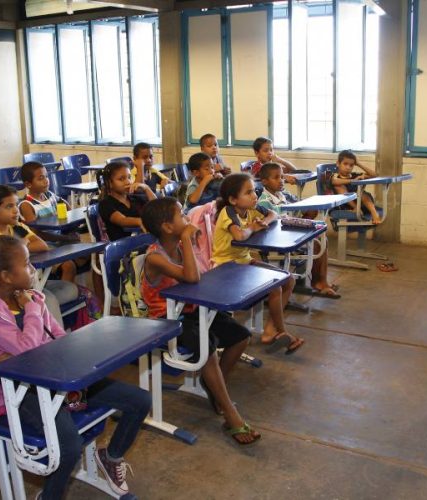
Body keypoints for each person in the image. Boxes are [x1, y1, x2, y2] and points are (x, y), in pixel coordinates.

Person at [0, 235, 151, 498]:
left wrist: (81, 354)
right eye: (26, 264)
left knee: (139, 400)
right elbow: (25, 351)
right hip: (21, 392)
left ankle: (111, 457)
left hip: (55, 378)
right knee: (69, 446)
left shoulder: (33, 297)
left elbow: (59, 336)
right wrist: (32, 310)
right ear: (6, 276)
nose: (33, 270)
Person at [140, 198, 260, 445]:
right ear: (167, 227)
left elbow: (205, 271)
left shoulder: (183, 247)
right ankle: (230, 413)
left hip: (191, 310)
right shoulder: (154, 257)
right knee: (208, 348)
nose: (187, 219)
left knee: (240, 336)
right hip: (165, 320)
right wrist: (186, 239)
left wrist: (190, 243)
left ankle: (215, 385)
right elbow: (192, 278)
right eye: (181, 216)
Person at [212, 173, 304, 354]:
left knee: (288, 279)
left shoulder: (251, 208)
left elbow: (272, 213)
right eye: (249, 192)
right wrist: (253, 228)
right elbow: (239, 235)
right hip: (225, 267)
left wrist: (264, 221)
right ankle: (283, 331)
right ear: (233, 199)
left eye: (254, 191)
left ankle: (270, 330)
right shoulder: (228, 213)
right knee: (275, 285)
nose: (255, 196)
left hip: (243, 261)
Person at [0, 185, 77, 327]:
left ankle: (40, 314)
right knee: (48, 301)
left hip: (31, 283)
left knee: (71, 290)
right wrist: (24, 244)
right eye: (9, 207)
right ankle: (53, 339)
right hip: (10, 293)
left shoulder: (18, 227)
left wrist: (21, 245)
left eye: (15, 205)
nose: (15, 210)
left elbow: (42, 245)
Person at [257, 163, 340, 298]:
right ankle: (319, 283)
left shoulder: (284, 194)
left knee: (320, 236)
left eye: (282, 177)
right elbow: (272, 226)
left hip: (290, 232)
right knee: (317, 243)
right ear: (265, 181)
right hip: (279, 239)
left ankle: (321, 281)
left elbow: (300, 205)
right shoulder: (264, 202)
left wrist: (310, 208)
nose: (281, 181)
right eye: (276, 178)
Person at [19, 161, 79, 282]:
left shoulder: (49, 195)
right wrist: (64, 239)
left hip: (58, 241)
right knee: (69, 266)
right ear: (28, 184)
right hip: (43, 246)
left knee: (86, 255)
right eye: (40, 178)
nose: (46, 180)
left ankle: (76, 288)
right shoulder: (27, 205)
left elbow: (66, 207)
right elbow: (36, 234)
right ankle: (64, 294)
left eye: (46, 176)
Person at [98, 160, 157, 241]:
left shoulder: (134, 198)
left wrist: (147, 188)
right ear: (109, 183)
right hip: (122, 248)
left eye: (129, 177)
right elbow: (122, 220)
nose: (128, 182)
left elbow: (157, 207)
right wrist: (139, 221)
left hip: (141, 241)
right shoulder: (105, 204)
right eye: (121, 179)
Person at [331, 150, 381, 225]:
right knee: (339, 187)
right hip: (346, 206)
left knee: (363, 194)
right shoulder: (335, 176)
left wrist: (359, 164)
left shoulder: (356, 175)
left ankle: (374, 213)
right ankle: (356, 208)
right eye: (345, 164)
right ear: (338, 163)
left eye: (351, 165)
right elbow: (334, 181)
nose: (348, 167)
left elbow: (375, 175)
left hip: (362, 203)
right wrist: (353, 181)